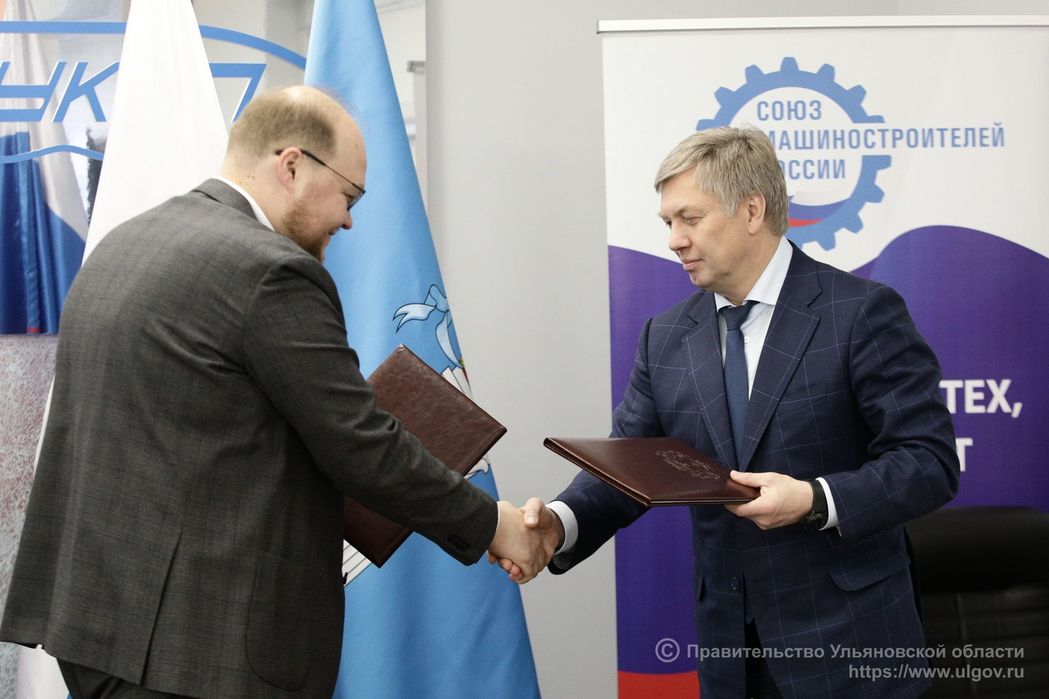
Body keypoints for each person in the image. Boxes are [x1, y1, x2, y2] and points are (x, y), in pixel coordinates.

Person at [0, 86, 543, 698]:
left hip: (97, 626)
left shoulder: (121, 245)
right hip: (198, 651)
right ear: (291, 166)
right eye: (349, 194)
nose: (348, 219)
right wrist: (494, 525)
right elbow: (361, 446)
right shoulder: (270, 270)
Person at [511, 127, 960, 698]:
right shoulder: (665, 337)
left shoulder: (861, 313)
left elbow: (928, 462)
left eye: (689, 219)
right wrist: (557, 524)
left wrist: (814, 500)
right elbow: (628, 465)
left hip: (851, 649)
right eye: (666, 222)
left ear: (752, 210)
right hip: (729, 656)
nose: (674, 240)